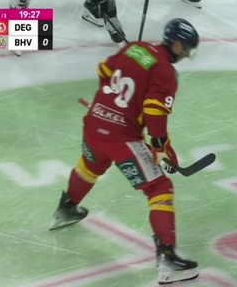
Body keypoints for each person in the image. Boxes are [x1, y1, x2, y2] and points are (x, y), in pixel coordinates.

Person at [48, 18, 200, 285]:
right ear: (176, 44)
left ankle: (66, 209)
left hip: (94, 124)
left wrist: (111, 106)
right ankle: (167, 258)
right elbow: (154, 113)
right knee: (160, 189)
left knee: (90, 166)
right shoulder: (164, 70)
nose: (186, 55)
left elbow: (104, 69)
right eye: (186, 49)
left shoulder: (135, 47)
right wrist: (161, 145)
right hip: (121, 137)